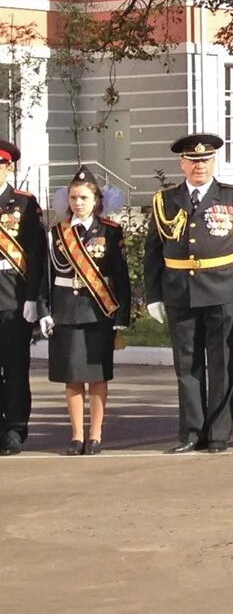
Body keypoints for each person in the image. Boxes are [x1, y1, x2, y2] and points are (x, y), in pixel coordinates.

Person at [144, 133, 233, 454]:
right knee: (187, 366)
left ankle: (219, 433)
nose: (199, 166)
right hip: (179, 291)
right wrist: (153, 295)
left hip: (221, 288)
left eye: (205, 160)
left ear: (214, 162)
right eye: (193, 161)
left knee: (221, 364)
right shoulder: (165, 201)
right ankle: (192, 432)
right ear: (182, 163)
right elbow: (152, 252)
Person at [42, 167, 131, 454]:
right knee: (72, 376)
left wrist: (122, 315)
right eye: (73, 197)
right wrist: (43, 309)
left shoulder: (110, 230)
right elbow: (45, 276)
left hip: (98, 312)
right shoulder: (57, 233)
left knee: (97, 375)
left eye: (83, 197)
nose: (77, 202)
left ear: (96, 200)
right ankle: (76, 435)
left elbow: (121, 276)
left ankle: (95, 435)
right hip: (66, 312)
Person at [0, 137, 47, 455]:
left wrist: (34, 298)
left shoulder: (25, 204)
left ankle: (15, 429)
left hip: (12, 299)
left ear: (9, 166)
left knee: (15, 368)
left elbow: (38, 254)